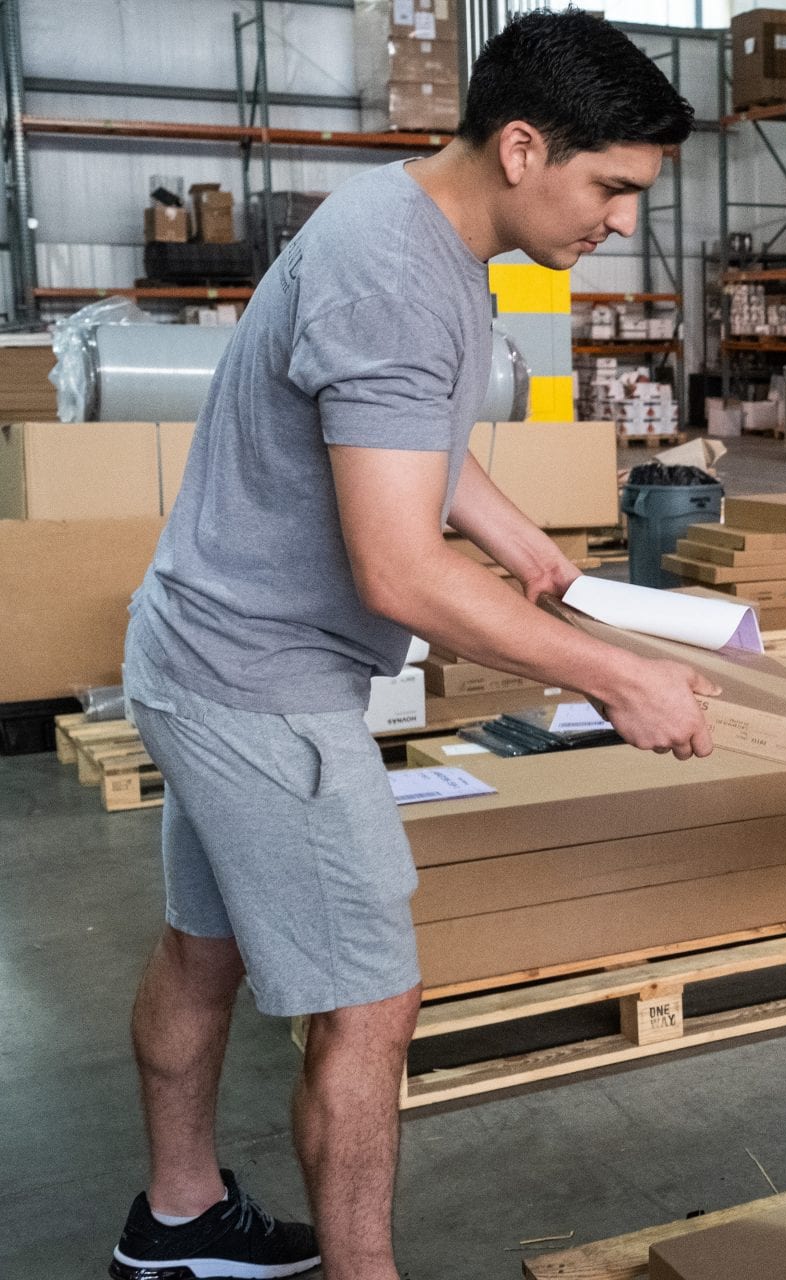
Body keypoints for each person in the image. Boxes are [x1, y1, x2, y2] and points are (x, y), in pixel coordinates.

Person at [110, 14, 713, 1280]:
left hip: (195, 643)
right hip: (263, 684)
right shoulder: (394, 272)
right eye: (610, 187)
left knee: (202, 948)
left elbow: (406, 429)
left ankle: (176, 1220)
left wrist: (517, 535)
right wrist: (618, 674)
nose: (618, 220)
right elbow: (397, 568)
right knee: (371, 1000)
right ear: (522, 145)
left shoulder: (418, 228)